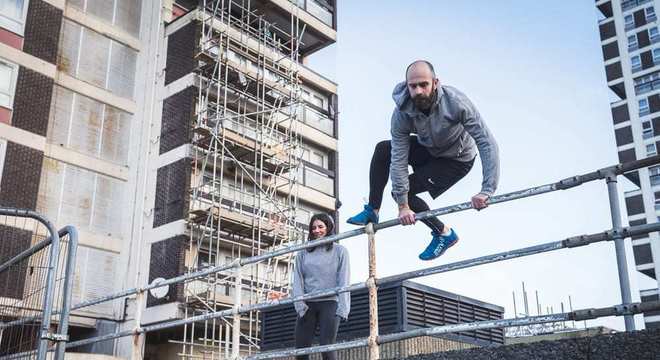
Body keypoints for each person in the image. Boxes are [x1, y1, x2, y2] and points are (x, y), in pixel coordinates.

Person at [347, 60, 500, 261]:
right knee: (384, 150)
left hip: (456, 160)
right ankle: (373, 210)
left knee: (402, 192)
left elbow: (486, 142)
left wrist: (487, 190)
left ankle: (444, 234)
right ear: (406, 85)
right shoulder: (402, 112)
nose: (418, 91)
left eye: (424, 85)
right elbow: (399, 157)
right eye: (413, 86)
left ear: (435, 83)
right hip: (429, 149)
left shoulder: (456, 103)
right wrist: (402, 205)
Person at [292, 213, 350, 360]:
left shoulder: (340, 251)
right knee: (301, 350)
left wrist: (343, 308)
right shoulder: (303, 253)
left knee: (326, 346)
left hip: (330, 302)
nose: (317, 231)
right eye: (313, 228)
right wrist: (300, 305)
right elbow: (297, 280)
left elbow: (344, 279)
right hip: (308, 304)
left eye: (320, 227)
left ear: (329, 228)